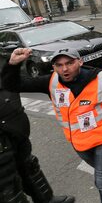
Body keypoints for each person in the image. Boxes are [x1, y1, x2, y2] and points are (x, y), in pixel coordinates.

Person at [1, 48, 102, 203]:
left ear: (80, 62)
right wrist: (12, 64)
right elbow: (13, 85)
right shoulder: (50, 82)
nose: (65, 69)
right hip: (79, 140)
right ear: (53, 67)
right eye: (59, 65)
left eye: (70, 63)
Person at [0, 49, 75, 203]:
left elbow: (10, 82)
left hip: (15, 129)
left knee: (29, 165)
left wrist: (12, 65)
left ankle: (47, 199)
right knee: (7, 183)